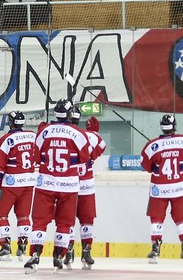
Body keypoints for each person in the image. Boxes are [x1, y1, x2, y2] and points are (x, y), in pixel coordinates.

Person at [24, 100, 91, 273]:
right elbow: (85, 158)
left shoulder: (43, 132)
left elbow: (36, 158)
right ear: (70, 115)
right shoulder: (78, 133)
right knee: (64, 223)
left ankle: (35, 255)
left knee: (39, 222)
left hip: (46, 183)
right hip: (68, 185)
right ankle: (58, 256)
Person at [141, 114, 183, 264]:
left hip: (159, 188)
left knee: (156, 219)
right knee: (182, 219)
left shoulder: (152, 145)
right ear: (174, 126)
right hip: (180, 187)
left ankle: (155, 250)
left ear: (161, 126)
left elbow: (145, 166)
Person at [0, 110, 37, 261]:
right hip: (29, 181)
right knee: (23, 215)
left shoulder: (6, 139)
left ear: (10, 122)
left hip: (11, 182)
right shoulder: (32, 136)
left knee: (1, 214)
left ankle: (5, 247)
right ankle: (23, 247)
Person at [65, 107, 106, 269]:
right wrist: (93, 131)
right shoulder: (91, 136)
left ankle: (68, 251)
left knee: (66, 221)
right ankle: (86, 252)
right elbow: (100, 147)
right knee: (87, 220)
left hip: (67, 185)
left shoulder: (63, 134)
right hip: (86, 186)